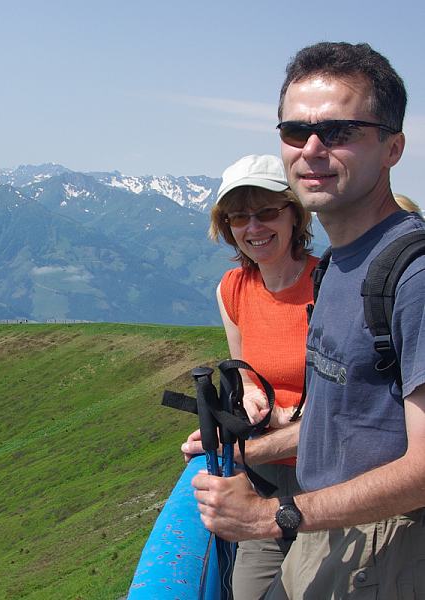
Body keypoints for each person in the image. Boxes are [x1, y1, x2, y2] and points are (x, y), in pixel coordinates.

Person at [198, 41, 425, 598]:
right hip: (326, 532)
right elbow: (337, 422)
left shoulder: (411, 273)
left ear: (393, 147)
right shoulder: (340, 268)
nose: (313, 148)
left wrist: (270, 518)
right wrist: (245, 445)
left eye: (341, 131)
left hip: (383, 548)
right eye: (295, 131)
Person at [199, 153, 318, 598]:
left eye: (267, 212)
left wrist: (291, 422)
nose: (254, 227)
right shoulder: (232, 289)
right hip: (264, 480)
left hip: (326, 477)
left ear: (294, 214)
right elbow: (246, 375)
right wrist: (248, 405)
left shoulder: (329, 284)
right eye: (239, 217)